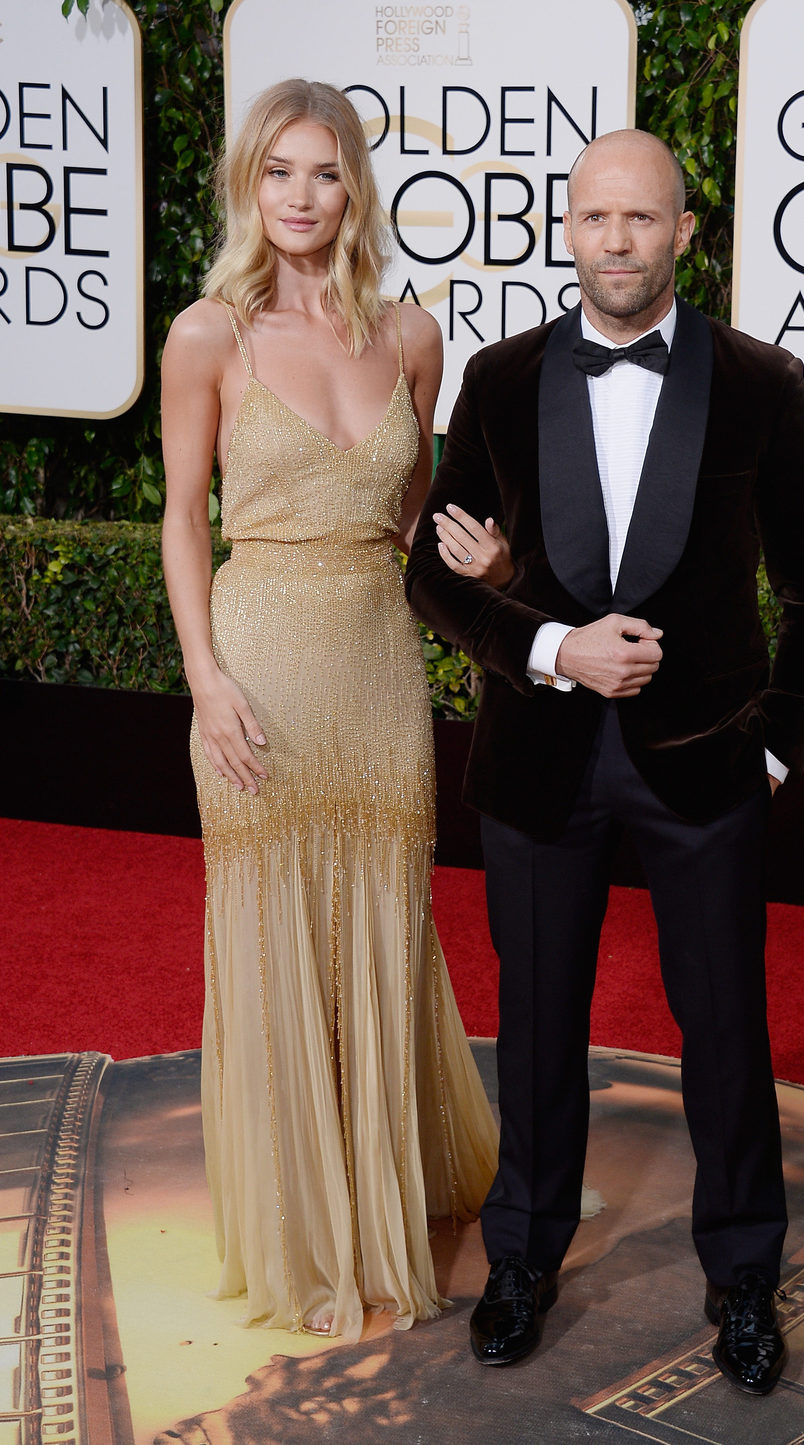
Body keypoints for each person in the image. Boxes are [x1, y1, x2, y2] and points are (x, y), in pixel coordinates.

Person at [405, 129, 804, 1391]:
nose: (618, 239)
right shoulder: (496, 381)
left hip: (707, 768)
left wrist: (774, 746)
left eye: (642, 219)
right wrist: (553, 645)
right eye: (597, 217)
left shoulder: (762, 381)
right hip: (540, 761)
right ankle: (524, 1258)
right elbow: (430, 580)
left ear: (684, 235)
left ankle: (746, 1277)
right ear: (568, 228)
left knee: (725, 1026)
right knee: (539, 1026)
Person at [160, 78, 500, 1342]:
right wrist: (204, 676)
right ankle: (306, 1226)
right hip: (260, 668)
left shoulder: (412, 336)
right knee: (275, 926)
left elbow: (411, 526)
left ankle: (381, 1194)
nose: (302, 197)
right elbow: (184, 517)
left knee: (383, 913)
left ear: (355, 186)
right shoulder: (209, 335)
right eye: (278, 173)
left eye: (325, 173)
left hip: (377, 666)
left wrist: (488, 567)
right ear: (250, 185)